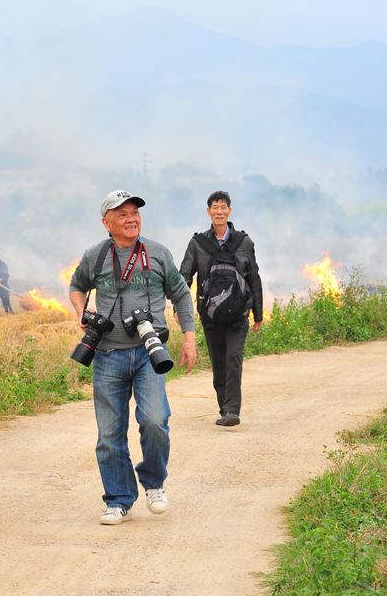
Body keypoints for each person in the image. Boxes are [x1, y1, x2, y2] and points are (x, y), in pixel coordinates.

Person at [68, 189, 197, 525]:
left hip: (149, 352)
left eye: (134, 213)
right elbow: (77, 285)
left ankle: (154, 482)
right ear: (106, 223)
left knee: (155, 421)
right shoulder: (95, 255)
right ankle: (118, 499)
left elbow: (181, 294)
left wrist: (189, 338)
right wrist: (82, 311)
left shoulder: (157, 253)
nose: (131, 219)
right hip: (107, 354)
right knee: (109, 436)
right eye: (122, 214)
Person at [179, 190, 263, 428]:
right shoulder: (198, 244)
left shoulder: (244, 242)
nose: (219, 211)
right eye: (215, 207)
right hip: (211, 315)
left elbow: (254, 277)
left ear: (230, 211)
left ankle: (232, 410)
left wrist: (258, 312)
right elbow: (184, 277)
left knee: (234, 360)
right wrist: (179, 307)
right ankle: (225, 409)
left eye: (223, 207)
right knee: (219, 363)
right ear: (208, 212)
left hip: (239, 314)